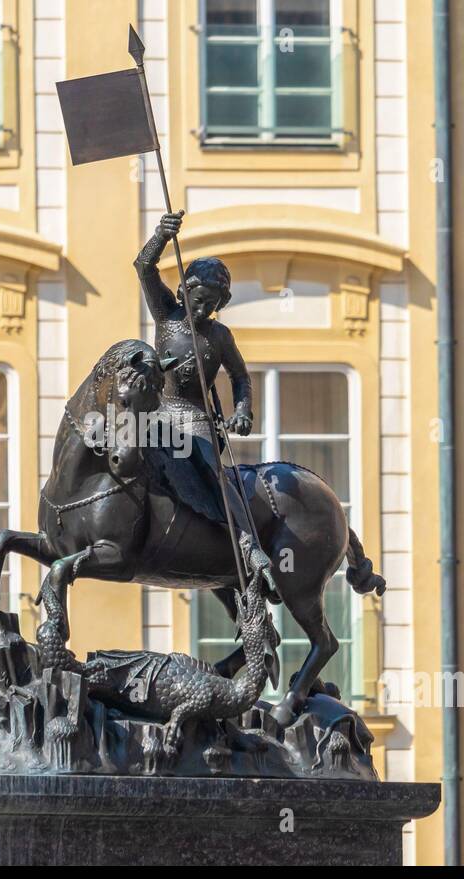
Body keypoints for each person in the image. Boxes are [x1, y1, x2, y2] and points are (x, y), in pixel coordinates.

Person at [134, 209, 275, 595]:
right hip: (156, 411)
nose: (201, 309)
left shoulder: (220, 336)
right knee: (116, 447)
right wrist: (162, 235)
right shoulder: (166, 315)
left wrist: (243, 409)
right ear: (184, 292)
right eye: (197, 299)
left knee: (213, 472)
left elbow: (241, 377)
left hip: (194, 418)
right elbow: (144, 267)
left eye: (211, 303)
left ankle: (248, 543)